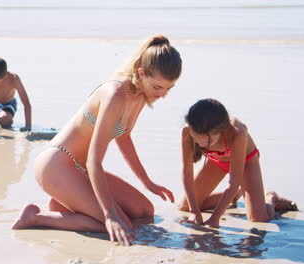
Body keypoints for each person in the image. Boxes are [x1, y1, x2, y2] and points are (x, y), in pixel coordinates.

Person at [12, 35, 182, 246]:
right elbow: (95, 160)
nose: (162, 94)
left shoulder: (141, 95)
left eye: (169, 88)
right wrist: (110, 215)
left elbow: (124, 136)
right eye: (157, 87)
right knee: (118, 224)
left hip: (79, 170)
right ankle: (35, 217)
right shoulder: (116, 94)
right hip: (55, 165)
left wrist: (148, 182)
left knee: (144, 211)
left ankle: (65, 205)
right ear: (141, 72)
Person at [179, 98, 298, 228]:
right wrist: (194, 212)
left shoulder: (238, 133)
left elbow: (233, 183)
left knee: (258, 219)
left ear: (221, 131)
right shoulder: (187, 130)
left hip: (246, 161)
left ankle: (272, 198)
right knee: (185, 207)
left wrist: (215, 217)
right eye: (196, 139)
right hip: (216, 161)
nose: (200, 144)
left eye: (207, 142)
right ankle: (233, 196)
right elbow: (187, 172)